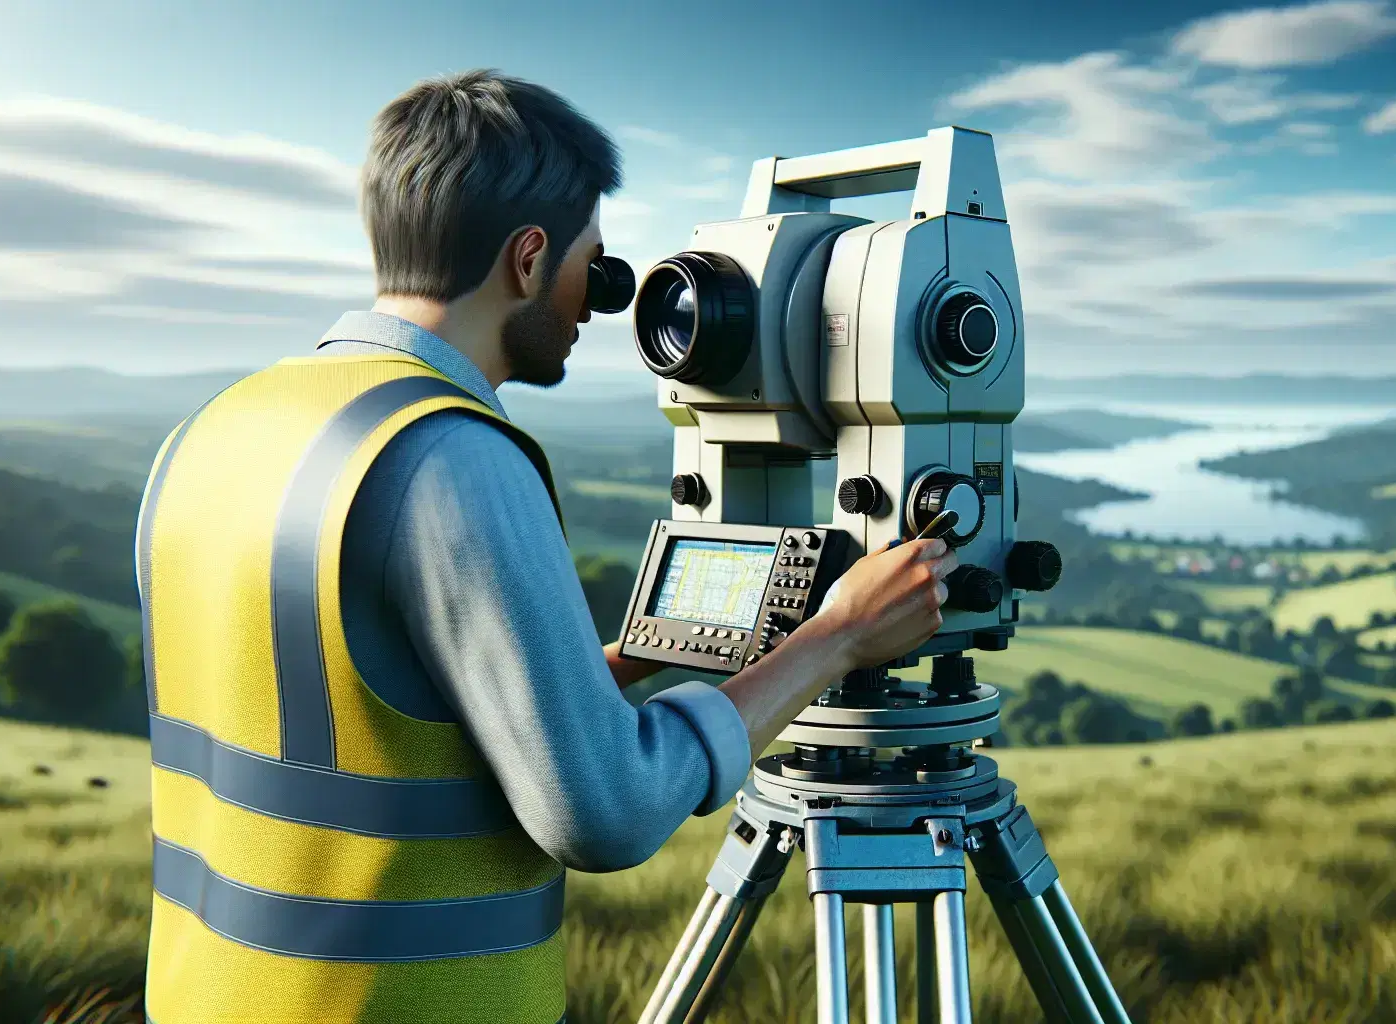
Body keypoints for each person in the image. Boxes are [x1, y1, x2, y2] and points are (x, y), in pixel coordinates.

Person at [135, 69, 957, 1024]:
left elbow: (344, 716)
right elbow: (605, 814)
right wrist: (838, 640)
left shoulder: (214, 429)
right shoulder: (448, 457)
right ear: (529, 258)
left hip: (211, 995)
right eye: (592, 268)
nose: (593, 303)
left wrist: (599, 672)